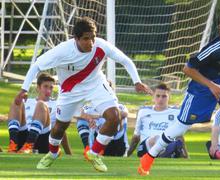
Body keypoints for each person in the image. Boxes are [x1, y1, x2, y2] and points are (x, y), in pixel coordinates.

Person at [14, 17, 152, 172]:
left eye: (93, 37)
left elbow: (125, 60)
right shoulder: (62, 50)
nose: (91, 42)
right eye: (86, 39)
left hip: (96, 85)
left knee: (115, 116)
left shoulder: (101, 46)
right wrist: (24, 89)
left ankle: (93, 153)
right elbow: (36, 66)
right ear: (76, 39)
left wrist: (137, 81)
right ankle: (53, 154)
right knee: (60, 127)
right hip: (70, 91)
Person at [138, 12, 220, 175]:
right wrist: (211, 85)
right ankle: (149, 156)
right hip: (201, 87)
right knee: (180, 128)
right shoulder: (213, 48)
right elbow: (187, 69)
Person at [7, 72, 72, 154]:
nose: (48, 90)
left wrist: (68, 153)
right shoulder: (27, 101)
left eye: (51, 87)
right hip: (23, 137)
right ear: (38, 88)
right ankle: (13, 145)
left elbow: (60, 129)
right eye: (45, 86)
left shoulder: (56, 105)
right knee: (17, 102)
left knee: (41, 104)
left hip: (43, 139)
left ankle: (29, 145)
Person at [127, 83, 188, 159]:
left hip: (167, 146)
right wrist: (127, 155)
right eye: (158, 96)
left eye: (164, 96)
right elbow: (136, 136)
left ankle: (164, 155)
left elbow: (179, 136)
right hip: (146, 148)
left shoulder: (176, 112)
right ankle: (164, 155)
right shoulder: (143, 111)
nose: (160, 99)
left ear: (169, 97)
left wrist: (186, 157)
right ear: (153, 97)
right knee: (156, 138)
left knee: (175, 142)